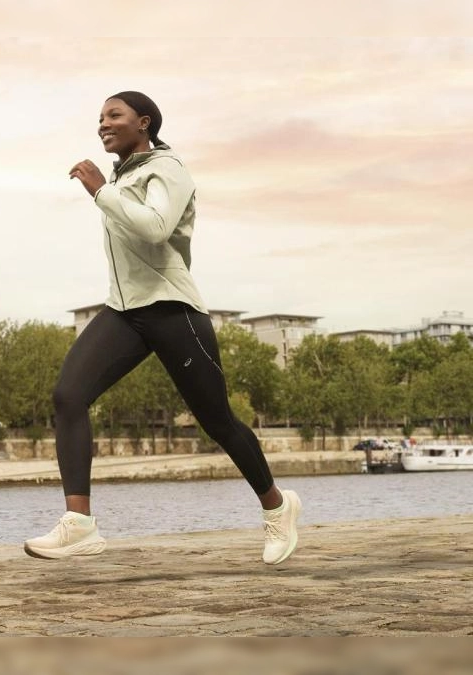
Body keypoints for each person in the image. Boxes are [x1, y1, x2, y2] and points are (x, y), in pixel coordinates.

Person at [24, 91, 302, 565]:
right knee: (68, 395)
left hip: (173, 310)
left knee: (217, 421)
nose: (103, 125)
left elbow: (155, 227)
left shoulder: (167, 169)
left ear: (144, 123)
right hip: (124, 311)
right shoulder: (124, 174)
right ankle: (80, 524)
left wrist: (99, 191)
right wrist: (107, 188)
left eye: (114, 116)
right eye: (100, 118)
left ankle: (278, 507)